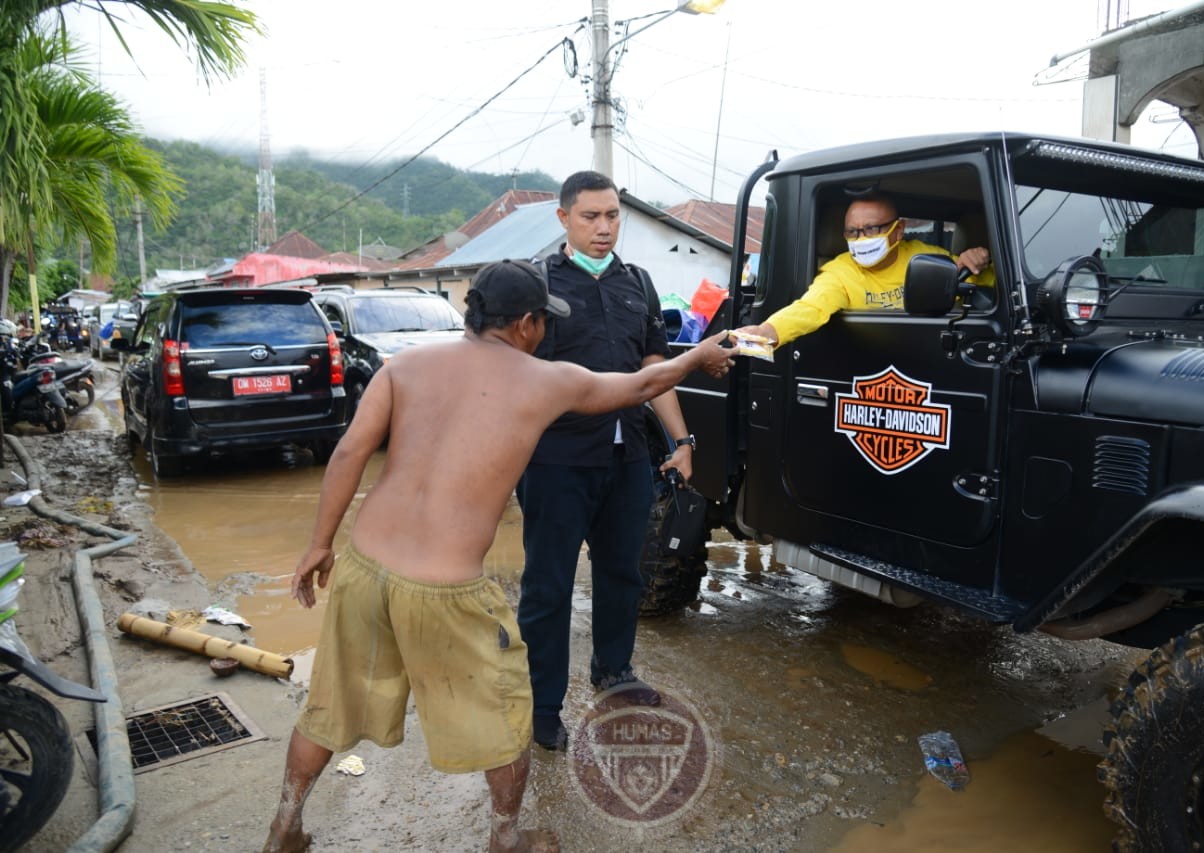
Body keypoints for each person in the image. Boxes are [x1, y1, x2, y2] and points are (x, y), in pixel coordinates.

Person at [262, 259, 736, 853]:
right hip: (446, 590)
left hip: (365, 566)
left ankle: (285, 824)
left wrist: (318, 545)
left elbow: (349, 454)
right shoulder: (545, 380)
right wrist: (697, 356)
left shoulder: (404, 366)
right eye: (543, 320)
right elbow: (640, 386)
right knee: (511, 709)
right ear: (527, 324)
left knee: (329, 705)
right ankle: (507, 838)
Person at [518, 170, 708, 752]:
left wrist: (681, 442)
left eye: (612, 216)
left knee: (623, 571)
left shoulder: (637, 283)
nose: (604, 228)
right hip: (557, 461)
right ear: (564, 219)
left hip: (628, 457)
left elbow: (657, 369)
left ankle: (614, 672)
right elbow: (513, 379)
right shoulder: (537, 286)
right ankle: (544, 704)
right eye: (590, 217)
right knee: (547, 586)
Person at [736, 193, 993, 347]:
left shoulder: (925, 258)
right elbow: (811, 308)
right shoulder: (840, 272)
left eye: (871, 229)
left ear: (899, 230)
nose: (861, 239)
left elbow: (977, 288)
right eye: (853, 232)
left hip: (927, 356)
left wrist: (977, 262)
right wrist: (765, 332)